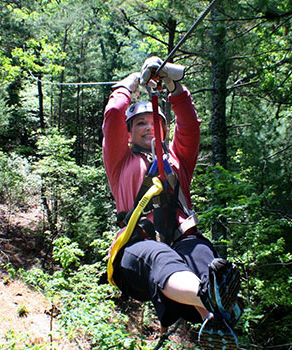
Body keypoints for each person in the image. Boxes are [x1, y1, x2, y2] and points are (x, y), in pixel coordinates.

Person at [99, 56, 237, 336]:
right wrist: (131, 85)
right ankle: (213, 302)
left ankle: (215, 321)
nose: (149, 127)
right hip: (136, 251)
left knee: (203, 257)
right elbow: (114, 114)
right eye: (140, 123)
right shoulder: (120, 162)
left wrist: (175, 89)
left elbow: (190, 126)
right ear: (129, 133)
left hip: (181, 241)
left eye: (154, 122)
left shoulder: (176, 160)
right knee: (160, 255)